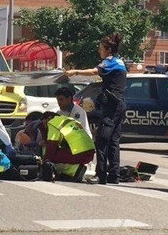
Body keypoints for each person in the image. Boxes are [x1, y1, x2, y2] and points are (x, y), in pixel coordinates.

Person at [65, 33, 126, 184]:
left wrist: (75, 72)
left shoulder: (110, 61)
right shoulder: (120, 62)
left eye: (101, 48)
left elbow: (94, 72)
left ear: (108, 50)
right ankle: (114, 175)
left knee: (102, 140)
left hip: (112, 106)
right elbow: (111, 84)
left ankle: (101, 175)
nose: (99, 51)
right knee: (113, 141)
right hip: (119, 104)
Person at [39, 111, 95, 182]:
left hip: (80, 153)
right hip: (90, 151)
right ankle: (69, 172)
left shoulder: (53, 123)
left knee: (51, 156)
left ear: (48, 119)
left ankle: (74, 170)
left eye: (44, 123)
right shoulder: (68, 120)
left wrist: (44, 163)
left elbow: (51, 146)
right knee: (57, 154)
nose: (45, 126)